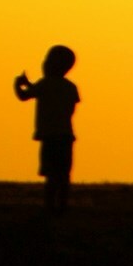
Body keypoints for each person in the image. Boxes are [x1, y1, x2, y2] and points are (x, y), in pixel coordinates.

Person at [14, 45, 80, 214]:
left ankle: (49, 206)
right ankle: (63, 206)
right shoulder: (70, 87)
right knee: (64, 174)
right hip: (66, 135)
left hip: (49, 136)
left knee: (51, 173)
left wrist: (18, 85)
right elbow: (69, 107)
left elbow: (24, 96)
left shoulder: (44, 84)